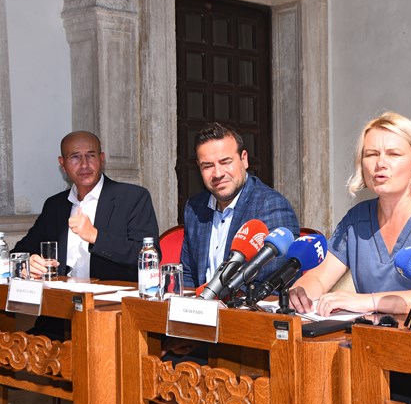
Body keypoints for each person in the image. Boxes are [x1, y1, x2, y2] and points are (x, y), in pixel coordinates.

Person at [289, 112, 411, 317]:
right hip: (371, 337)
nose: (380, 163)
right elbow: (320, 278)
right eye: (371, 154)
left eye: (393, 154)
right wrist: (302, 293)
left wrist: (370, 302)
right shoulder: (357, 219)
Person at [13, 131, 159, 281]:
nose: (84, 164)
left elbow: (148, 256)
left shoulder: (132, 197)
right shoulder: (55, 205)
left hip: (111, 298)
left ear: (102, 159)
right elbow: (20, 251)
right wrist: (28, 263)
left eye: (91, 155)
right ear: (62, 164)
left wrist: (95, 236)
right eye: (75, 157)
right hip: (62, 296)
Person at [180, 122, 299, 290]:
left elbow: (270, 280)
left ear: (244, 159)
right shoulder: (194, 208)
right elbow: (188, 274)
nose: (218, 174)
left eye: (225, 162)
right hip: (200, 310)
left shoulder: (271, 206)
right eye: (208, 166)